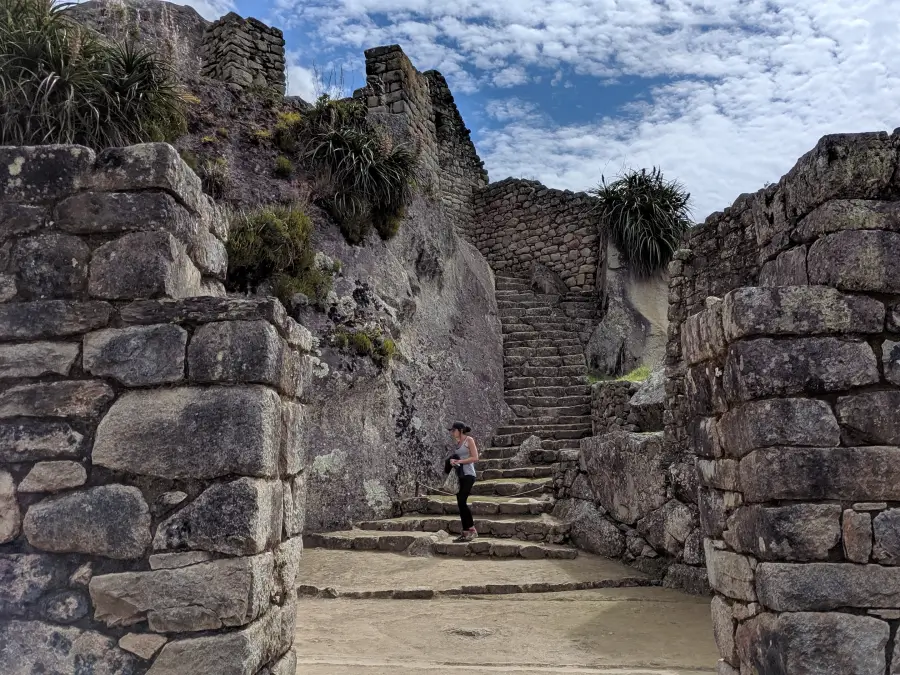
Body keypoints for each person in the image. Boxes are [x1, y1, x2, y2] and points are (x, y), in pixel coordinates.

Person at [448, 421, 479, 542]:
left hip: (469, 475)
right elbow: (459, 457)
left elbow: (475, 458)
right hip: (460, 475)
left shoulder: (469, 440)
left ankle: (472, 529)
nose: (452, 432)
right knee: (460, 503)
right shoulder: (458, 442)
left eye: (453, 430)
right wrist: (453, 461)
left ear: (460, 430)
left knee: (462, 501)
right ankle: (466, 531)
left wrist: (459, 462)